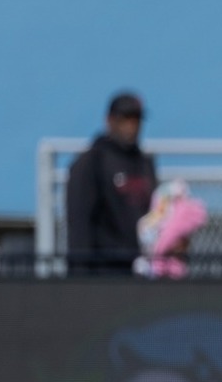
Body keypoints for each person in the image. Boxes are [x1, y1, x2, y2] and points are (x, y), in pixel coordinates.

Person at [65, 92, 157, 276]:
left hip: (141, 272)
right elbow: (80, 226)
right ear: (110, 120)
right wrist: (79, 280)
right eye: (126, 119)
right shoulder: (92, 162)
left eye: (137, 119)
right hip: (105, 273)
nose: (132, 126)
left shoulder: (144, 162)